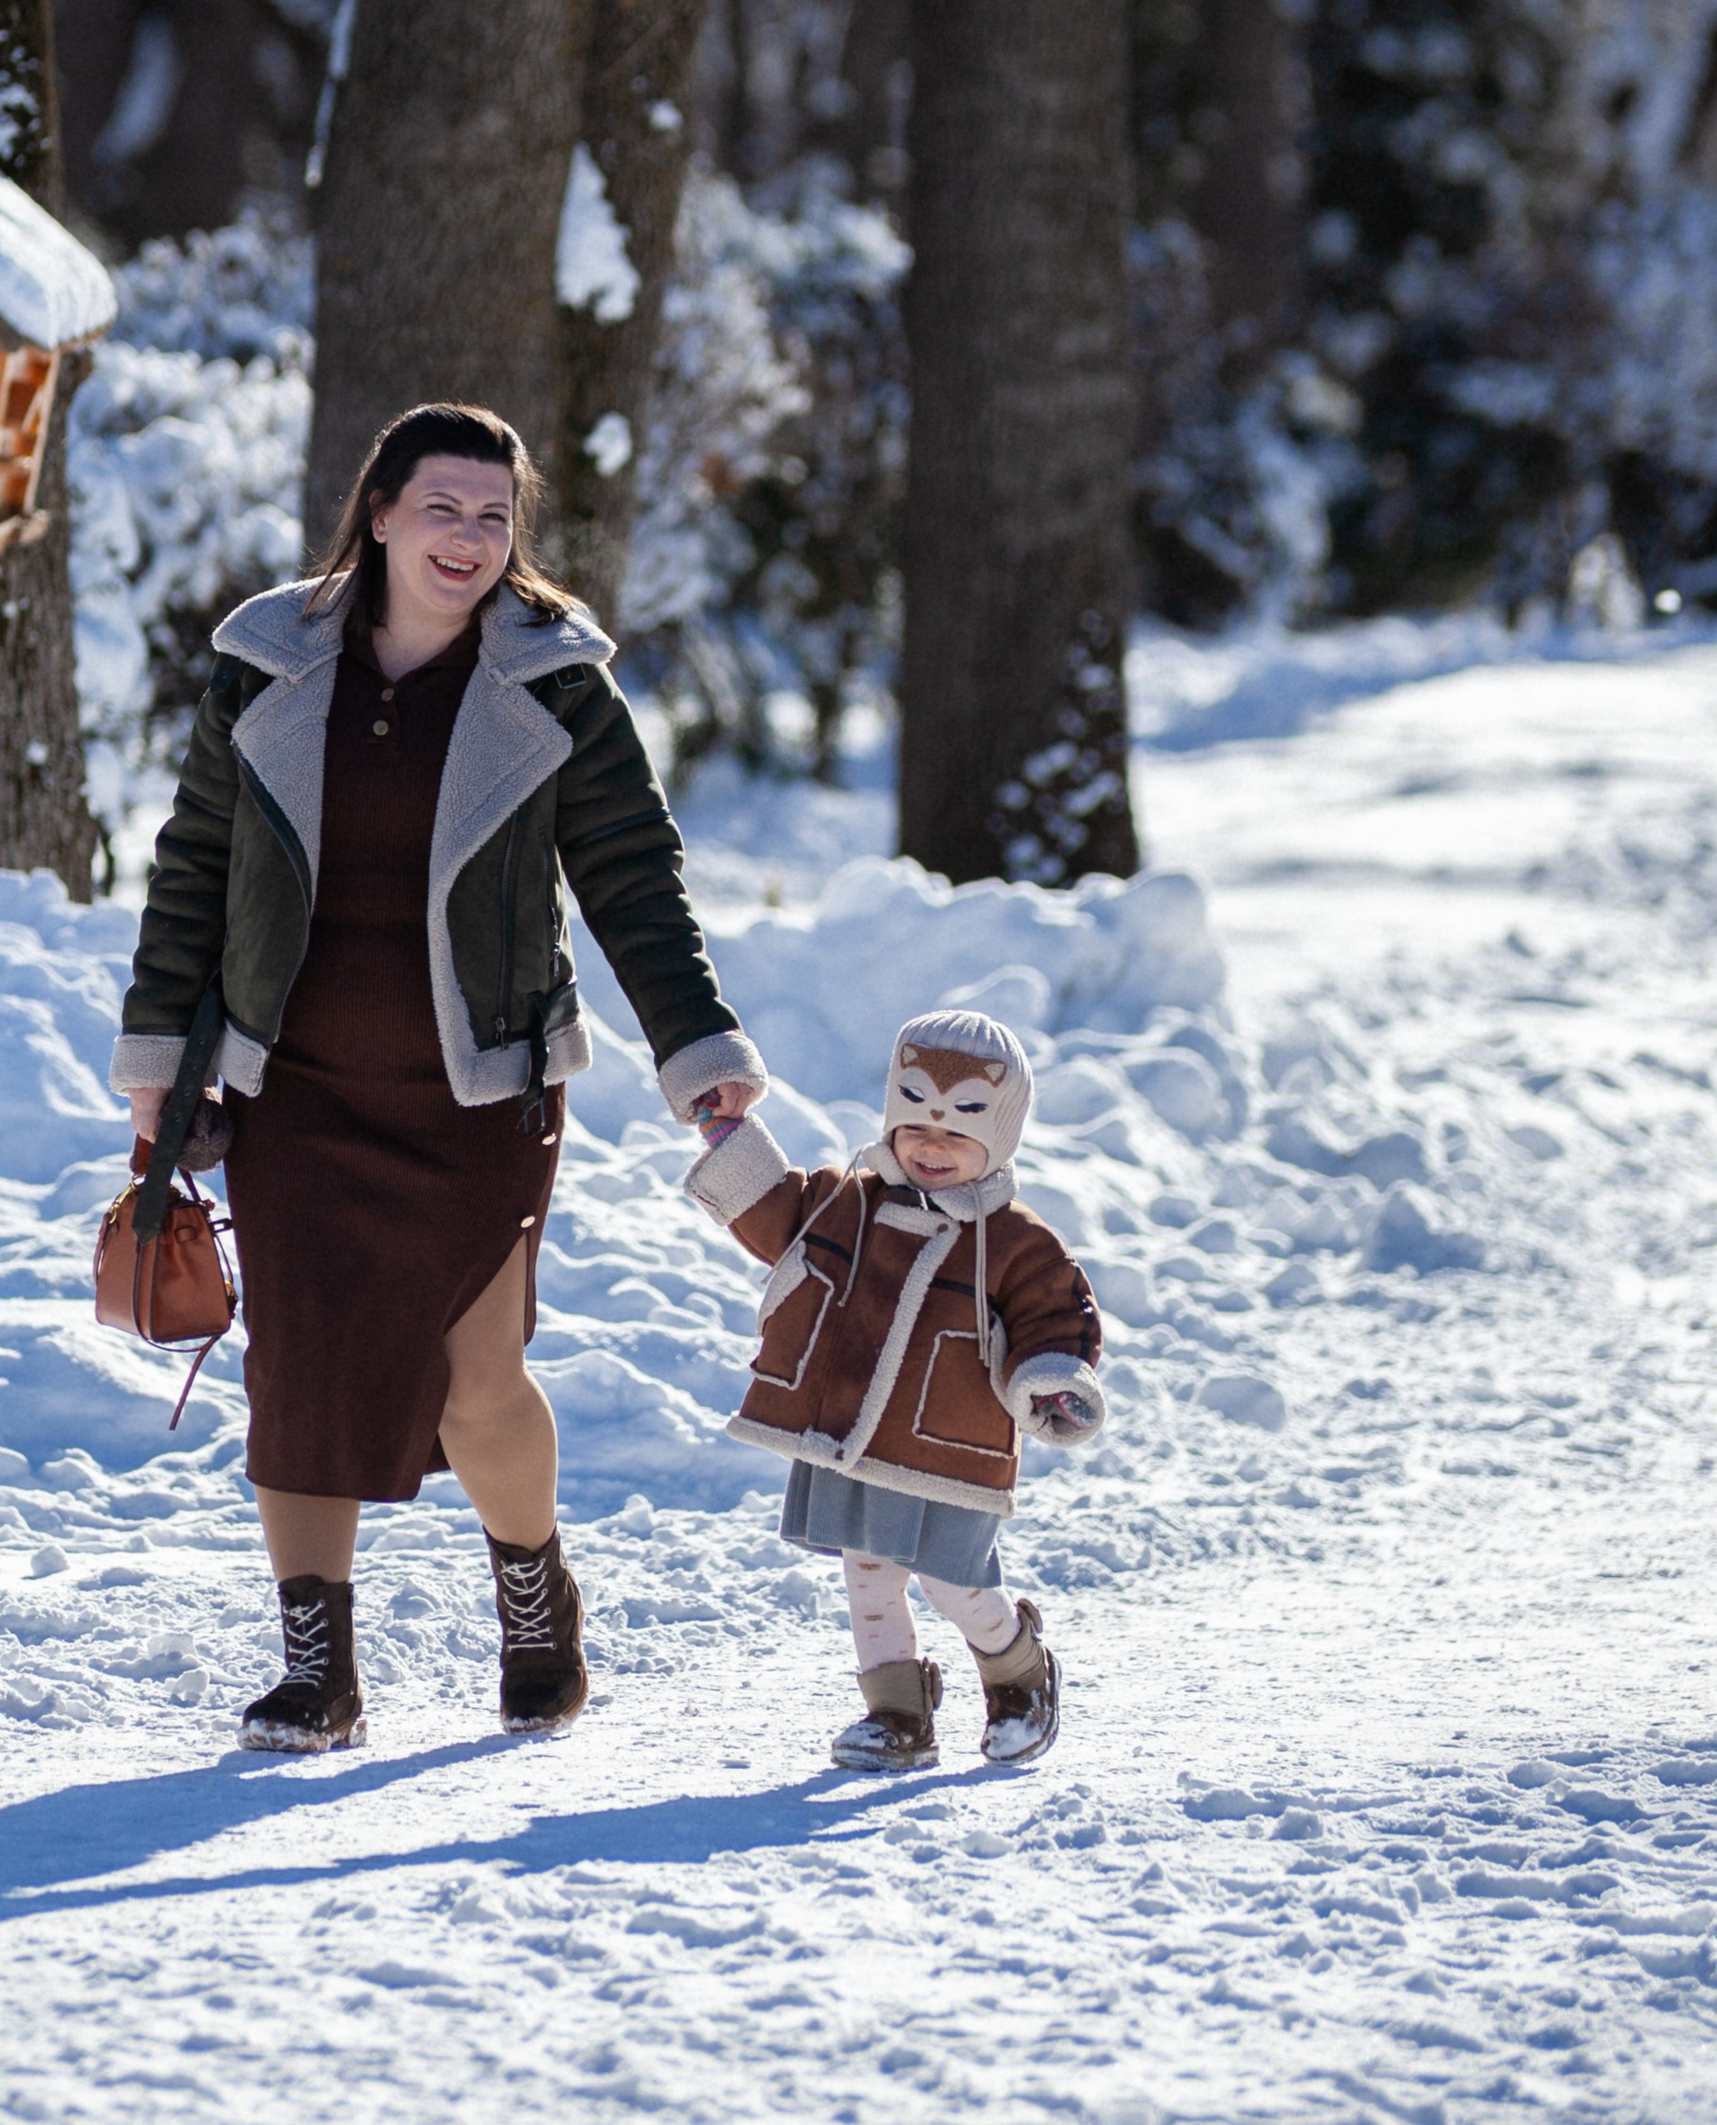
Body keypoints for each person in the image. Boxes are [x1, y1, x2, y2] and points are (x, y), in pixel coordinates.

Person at [110, 402, 767, 1752]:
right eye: (443, 508)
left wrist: (697, 1052)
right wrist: (163, 1061)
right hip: (293, 1086)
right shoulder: (268, 667)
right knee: (294, 1373)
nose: (469, 539)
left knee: (478, 1373)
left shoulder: (554, 683)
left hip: (482, 1091)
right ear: (380, 513)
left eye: (495, 515)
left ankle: (535, 1605)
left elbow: (636, 877)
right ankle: (317, 1668)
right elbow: (194, 869)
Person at [683, 1007, 1106, 1772]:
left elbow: (1056, 1319)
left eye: (958, 1130)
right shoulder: (854, 1200)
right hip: (854, 1436)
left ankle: (1019, 1670)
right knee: (870, 1579)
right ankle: (897, 1711)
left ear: (1000, 1137)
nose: (931, 1146)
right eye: (914, 1126)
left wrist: (1051, 1384)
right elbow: (774, 1208)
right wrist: (727, 1134)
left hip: (951, 1445)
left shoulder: (1015, 1239)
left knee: (954, 1583)